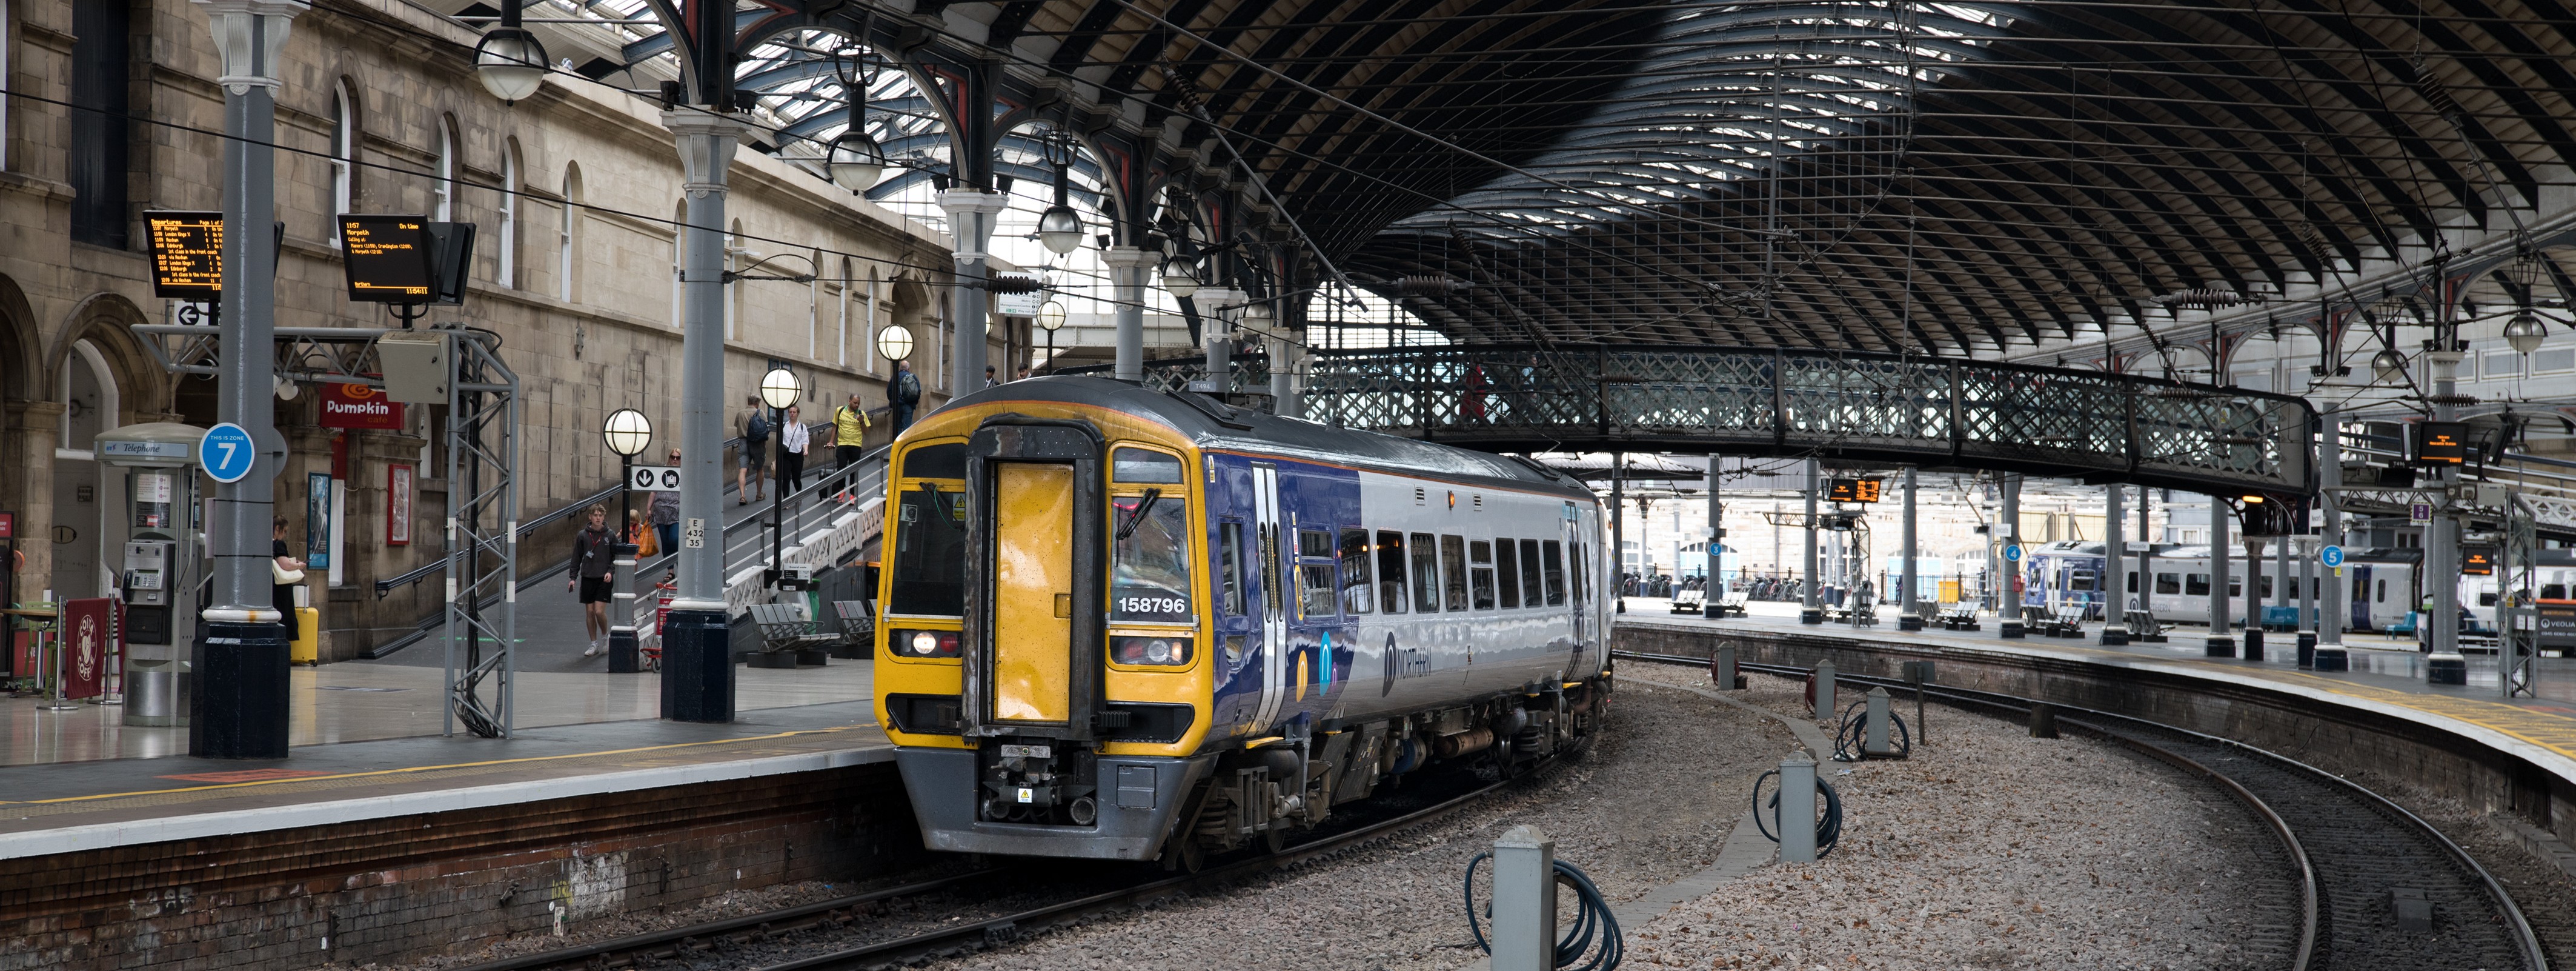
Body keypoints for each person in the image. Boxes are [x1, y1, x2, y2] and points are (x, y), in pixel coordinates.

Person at [569, 504, 617, 656]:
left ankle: (605, 636)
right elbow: (577, 557)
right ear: (590, 517)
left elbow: (615, 556)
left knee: (598, 611)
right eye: (595, 515)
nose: (598, 518)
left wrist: (610, 571)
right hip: (588, 576)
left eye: (600, 515)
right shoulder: (583, 535)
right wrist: (573, 578)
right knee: (590, 612)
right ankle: (593, 643)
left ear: (604, 517)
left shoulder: (610, 535)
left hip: (604, 578)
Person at [831, 391, 872, 504]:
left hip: (856, 445)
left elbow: (866, 432)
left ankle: (853, 495)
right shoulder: (840, 411)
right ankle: (842, 491)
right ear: (849, 401)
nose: (857, 405)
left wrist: (862, 422)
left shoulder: (861, 414)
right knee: (841, 468)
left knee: (854, 470)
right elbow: (835, 426)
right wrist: (831, 441)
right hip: (842, 444)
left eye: (858, 403)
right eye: (855, 403)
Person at [271, 516, 306, 623]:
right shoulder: (278, 544)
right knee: (284, 617)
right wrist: (299, 565)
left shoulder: (265, 544)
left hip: (271, 587)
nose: (285, 534)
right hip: (281, 588)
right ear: (277, 528)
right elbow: (285, 565)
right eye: (284, 531)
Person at [736, 394, 770, 504]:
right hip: (757, 444)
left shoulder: (740, 413)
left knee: (743, 469)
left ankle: (742, 496)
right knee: (760, 469)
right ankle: (759, 494)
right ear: (757, 403)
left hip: (743, 442)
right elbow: (765, 428)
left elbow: (737, 425)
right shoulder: (760, 413)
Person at [651, 448, 682, 554]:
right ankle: (671, 570)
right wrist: (648, 509)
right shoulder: (662, 471)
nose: (675, 460)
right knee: (665, 542)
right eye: (673, 457)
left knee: (674, 539)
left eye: (678, 458)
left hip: (676, 513)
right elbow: (654, 492)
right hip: (661, 512)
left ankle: (678, 559)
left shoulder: (685, 473)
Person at [777, 404, 809, 495]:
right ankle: (786, 500)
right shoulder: (784, 426)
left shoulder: (802, 427)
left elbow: (805, 441)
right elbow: (780, 440)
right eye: (790, 412)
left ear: (798, 414)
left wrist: (806, 450)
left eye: (794, 412)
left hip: (797, 455)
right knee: (786, 478)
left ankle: (799, 494)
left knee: (796, 479)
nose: (792, 414)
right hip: (786, 455)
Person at [888, 360, 920, 435]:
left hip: (897, 406)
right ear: (909, 369)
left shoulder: (895, 377)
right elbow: (918, 392)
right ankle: (906, 445)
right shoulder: (913, 377)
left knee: (898, 427)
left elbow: (889, 391)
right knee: (907, 428)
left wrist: (893, 401)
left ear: (900, 368)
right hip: (909, 406)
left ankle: (898, 444)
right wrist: (913, 403)